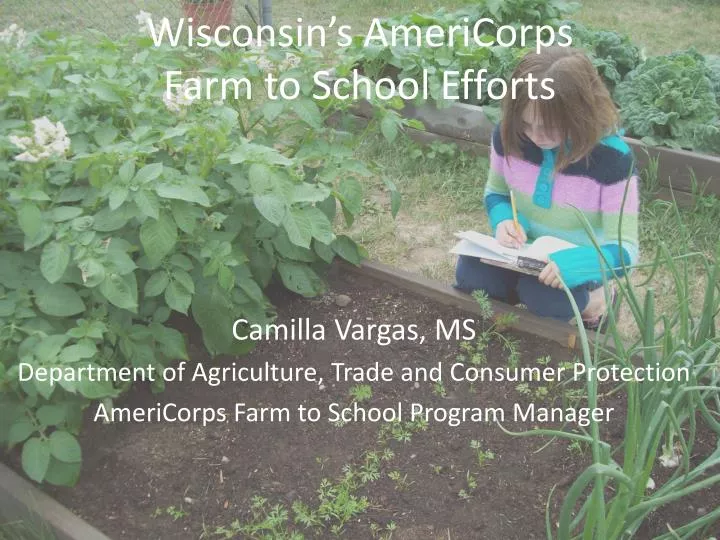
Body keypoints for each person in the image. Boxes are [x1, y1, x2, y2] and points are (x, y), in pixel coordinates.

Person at [454, 46, 639, 329]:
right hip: (523, 255)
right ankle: (521, 314)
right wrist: (505, 220)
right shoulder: (509, 135)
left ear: (581, 114)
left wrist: (580, 265)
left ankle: (597, 302)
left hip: (577, 268)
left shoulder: (613, 159)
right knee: (471, 274)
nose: (536, 136)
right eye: (526, 123)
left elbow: (625, 251)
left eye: (550, 127)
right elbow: (497, 194)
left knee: (548, 299)